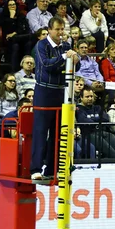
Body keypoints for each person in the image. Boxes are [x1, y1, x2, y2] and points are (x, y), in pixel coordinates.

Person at [30, 16, 79, 181]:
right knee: (40, 131)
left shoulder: (66, 45)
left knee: (58, 133)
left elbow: (75, 66)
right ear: (49, 30)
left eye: (62, 29)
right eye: (57, 29)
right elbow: (47, 66)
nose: (60, 33)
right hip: (44, 92)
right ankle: (35, 168)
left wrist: (75, 59)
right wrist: (65, 57)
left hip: (61, 92)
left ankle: (52, 169)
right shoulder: (41, 45)